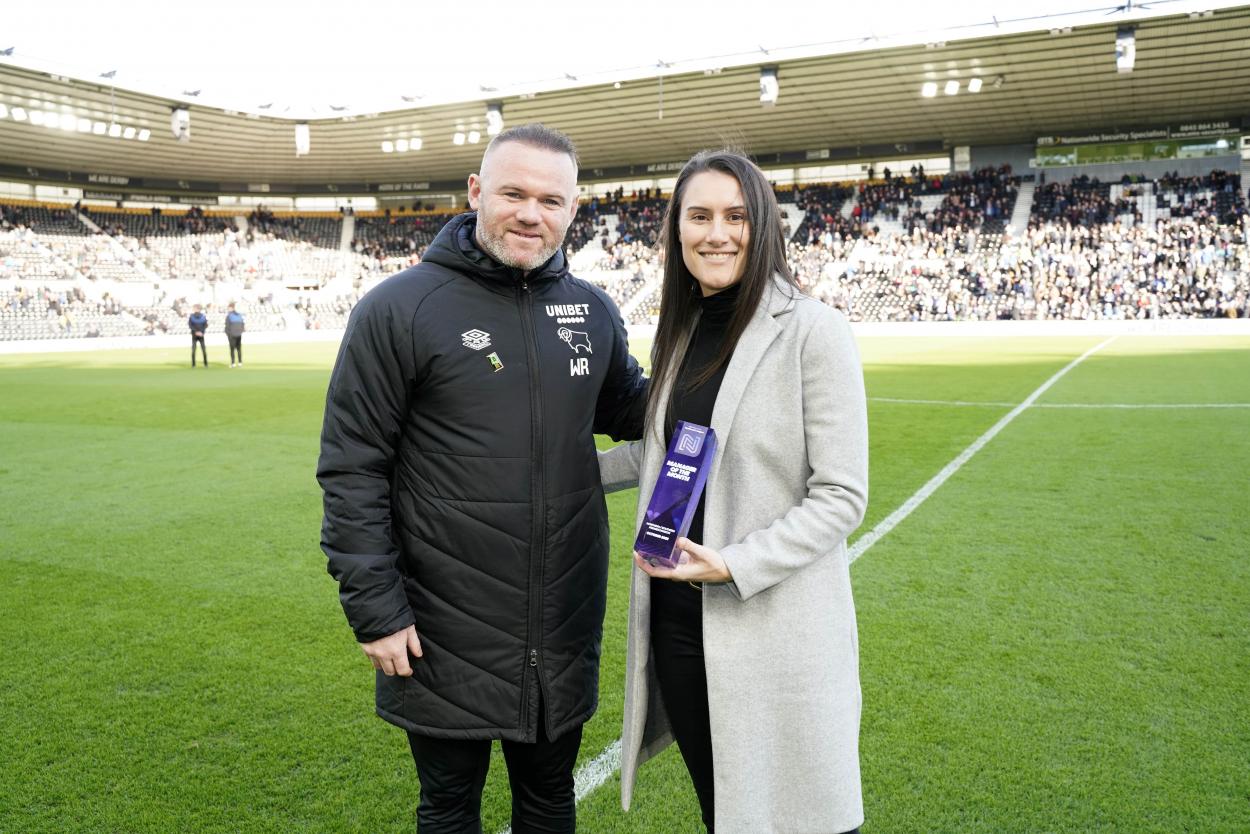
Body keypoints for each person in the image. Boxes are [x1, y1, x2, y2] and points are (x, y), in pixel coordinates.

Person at [317, 123, 647, 834]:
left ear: (573, 209)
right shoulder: (398, 309)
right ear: (475, 193)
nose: (532, 214)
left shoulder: (590, 312)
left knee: (548, 804)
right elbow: (353, 467)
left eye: (551, 200)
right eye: (514, 193)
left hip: (560, 622)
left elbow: (639, 410)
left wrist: (729, 350)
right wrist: (376, 609)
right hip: (442, 627)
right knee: (447, 809)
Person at [599, 149, 869, 833]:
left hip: (771, 633)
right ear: (677, 229)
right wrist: (546, 473)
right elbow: (664, 451)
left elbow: (841, 496)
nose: (716, 233)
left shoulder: (814, 331)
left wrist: (733, 564)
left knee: (799, 822)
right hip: (680, 630)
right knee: (725, 817)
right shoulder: (683, 331)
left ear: (764, 227)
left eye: (736, 216)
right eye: (699, 216)